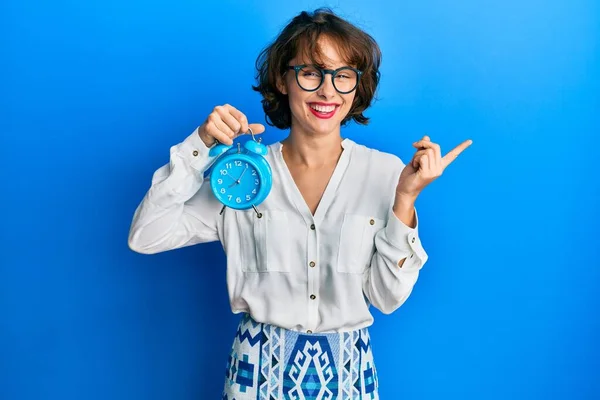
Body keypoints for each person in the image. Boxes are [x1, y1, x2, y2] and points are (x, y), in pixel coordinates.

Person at [128, 8, 472, 400]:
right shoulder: (242, 175)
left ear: (357, 87)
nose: (328, 91)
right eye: (311, 73)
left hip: (350, 380)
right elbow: (146, 236)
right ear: (283, 78)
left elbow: (387, 298)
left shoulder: (385, 173)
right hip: (254, 379)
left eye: (343, 76)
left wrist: (406, 197)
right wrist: (199, 147)